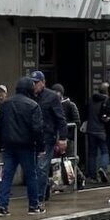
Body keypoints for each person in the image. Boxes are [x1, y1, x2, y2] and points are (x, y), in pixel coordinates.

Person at [0, 76, 43, 217]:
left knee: (7, 175)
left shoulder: (6, 104)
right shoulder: (33, 105)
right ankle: (33, 205)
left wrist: (1, 138)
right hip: (27, 145)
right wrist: (40, 147)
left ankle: (2, 206)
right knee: (31, 176)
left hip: (9, 145)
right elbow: (37, 129)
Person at [30, 71, 67, 208]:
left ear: (43, 82)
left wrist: (62, 138)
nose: (34, 85)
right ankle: (44, 190)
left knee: (41, 167)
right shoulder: (29, 96)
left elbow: (60, 118)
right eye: (33, 83)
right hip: (33, 138)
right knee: (35, 168)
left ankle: (38, 198)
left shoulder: (52, 97)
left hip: (47, 137)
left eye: (37, 82)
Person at [52, 84, 83, 191]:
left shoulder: (70, 105)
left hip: (68, 138)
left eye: (57, 92)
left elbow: (77, 121)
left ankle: (79, 178)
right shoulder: (52, 104)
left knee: (69, 160)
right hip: (55, 138)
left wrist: (67, 132)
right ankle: (57, 183)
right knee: (56, 162)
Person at [86, 89, 110, 182]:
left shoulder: (91, 99)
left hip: (91, 129)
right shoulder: (106, 101)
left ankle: (93, 176)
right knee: (105, 150)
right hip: (101, 130)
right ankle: (103, 168)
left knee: (92, 153)